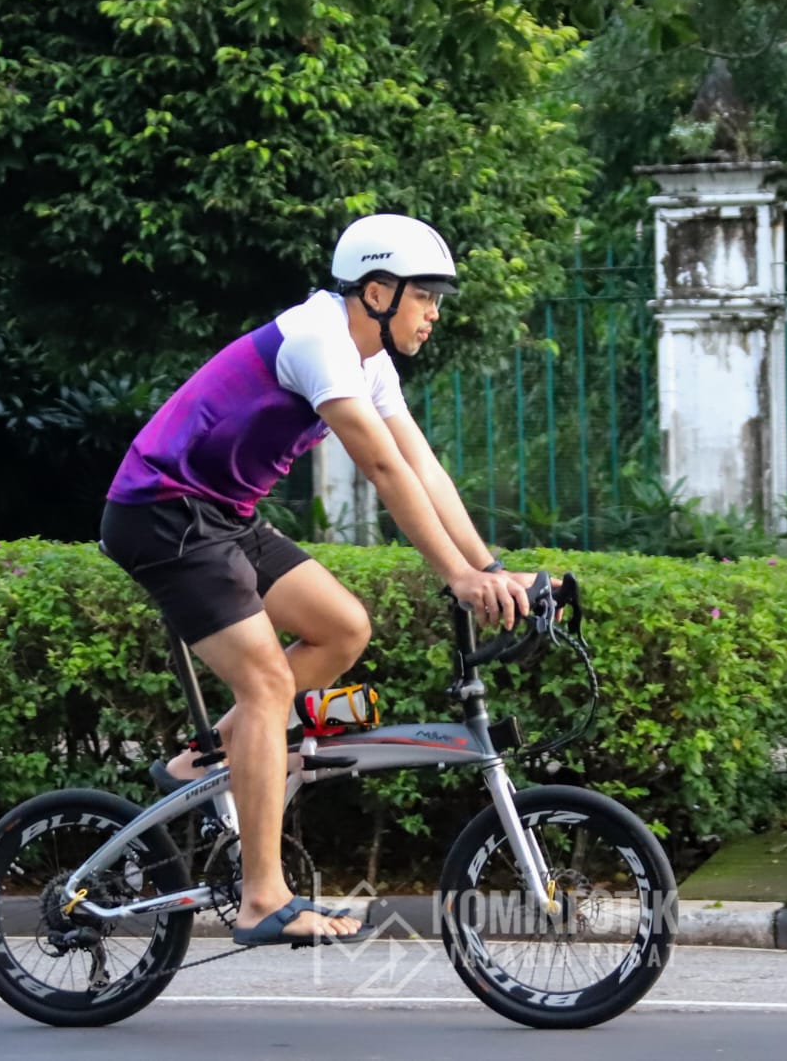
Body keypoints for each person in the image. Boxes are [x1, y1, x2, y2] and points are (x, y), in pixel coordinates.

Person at [99, 214, 533, 948]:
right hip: (162, 513)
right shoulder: (319, 341)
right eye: (425, 296)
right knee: (268, 685)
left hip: (224, 515)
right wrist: (454, 575)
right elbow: (383, 469)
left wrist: (485, 567)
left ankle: (203, 760)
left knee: (342, 628)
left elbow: (422, 466)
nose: (434, 313)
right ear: (377, 292)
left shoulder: (369, 360)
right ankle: (261, 900)